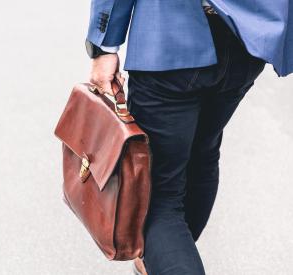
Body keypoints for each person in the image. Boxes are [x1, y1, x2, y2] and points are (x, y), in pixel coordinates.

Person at [85, 0, 291, 274]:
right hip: (247, 40)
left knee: (158, 194)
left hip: (171, 38)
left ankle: (168, 257)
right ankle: (166, 256)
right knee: (202, 153)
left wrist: (104, 46)